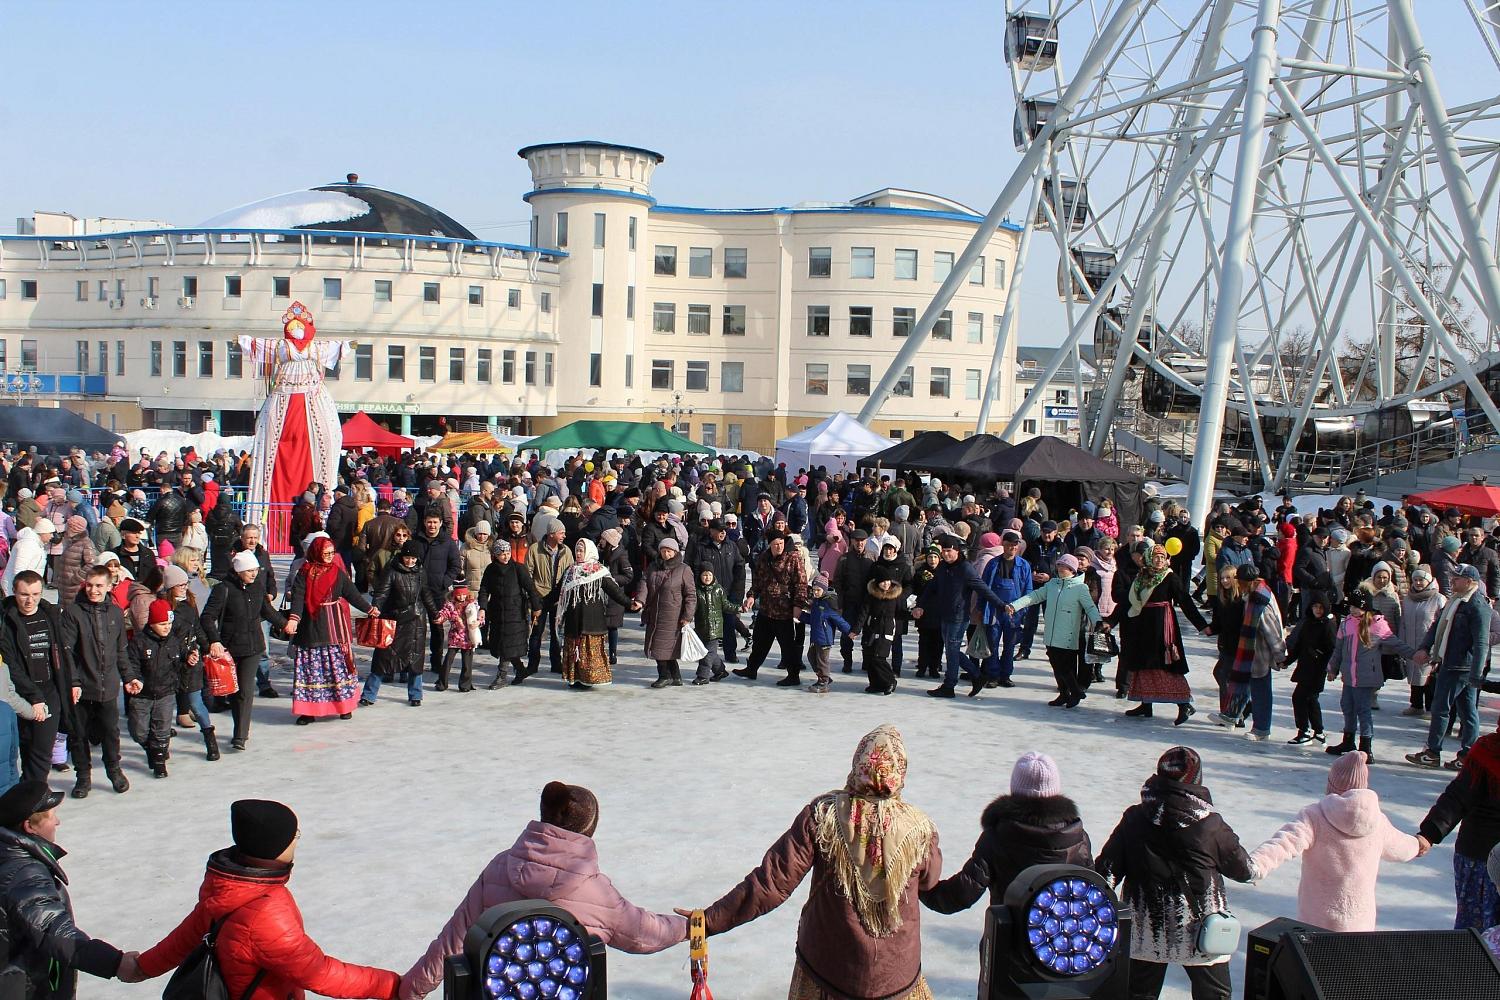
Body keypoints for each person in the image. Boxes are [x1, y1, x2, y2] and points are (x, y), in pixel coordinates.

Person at [689, 725, 941, 1000]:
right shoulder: (920, 829)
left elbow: (771, 882)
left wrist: (708, 920)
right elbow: (929, 882)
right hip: (895, 979)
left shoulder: (823, 816)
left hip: (828, 975)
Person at [399, 782, 685, 999]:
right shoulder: (595, 891)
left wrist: (409, 991)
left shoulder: (500, 867)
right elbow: (644, 933)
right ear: (589, 829)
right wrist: (695, 925)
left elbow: (453, 940)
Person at [133, 799, 401, 999]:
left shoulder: (225, 887)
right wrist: (390, 985)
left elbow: (185, 937)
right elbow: (318, 972)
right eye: (294, 835)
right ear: (273, 848)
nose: (297, 840)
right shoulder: (266, 913)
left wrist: (141, 967)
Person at [1096, 747, 1257, 1000]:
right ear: (1196, 780)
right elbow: (1245, 870)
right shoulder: (1211, 824)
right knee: (1215, 995)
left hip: (1146, 928)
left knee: (1137, 993)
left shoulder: (1134, 818)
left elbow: (1106, 874)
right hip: (1201, 930)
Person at [1251, 752, 1425, 931]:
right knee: (1350, 959)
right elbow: (1401, 847)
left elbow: (1285, 842)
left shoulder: (1315, 816)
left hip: (1317, 920)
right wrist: (1417, 844)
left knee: (1314, 958)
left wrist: (1256, 864)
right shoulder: (1378, 822)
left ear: (1331, 785)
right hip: (1360, 923)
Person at [920, 752, 1091, 922]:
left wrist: (922, 887)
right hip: (1063, 942)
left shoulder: (996, 838)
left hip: (1008, 942)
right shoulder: (1078, 837)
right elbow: (1093, 891)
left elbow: (961, 894)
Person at [0, 780, 130, 997]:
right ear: (29, 827)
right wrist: (114, 962)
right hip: (24, 987)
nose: (57, 822)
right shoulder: (24, 872)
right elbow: (51, 927)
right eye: (51, 816)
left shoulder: (9, 854)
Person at [1110, 543, 1208, 724]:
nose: (1159, 560)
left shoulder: (1170, 578)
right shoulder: (1141, 578)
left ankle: (1184, 704)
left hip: (1163, 625)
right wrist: (1110, 622)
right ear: (1148, 558)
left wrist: (1201, 625)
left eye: (1162, 557)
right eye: (1156, 557)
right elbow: (1129, 601)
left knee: (1165, 664)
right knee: (1144, 663)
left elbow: (1185, 601)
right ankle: (1146, 704)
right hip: (1143, 624)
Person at [60, 566, 137, 797]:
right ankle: (83, 776)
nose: (94, 590)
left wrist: (129, 676)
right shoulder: (73, 613)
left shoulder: (114, 613)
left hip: (109, 686)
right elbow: (67, 652)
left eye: (99, 586)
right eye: (90, 585)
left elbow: (121, 650)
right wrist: (73, 682)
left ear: (109, 586)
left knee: (110, 732)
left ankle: (114, 769)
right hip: (82, 687)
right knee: (79, 733)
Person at [1406, 564, 1491, 770]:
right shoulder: (1455, 601)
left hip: (1461, 667)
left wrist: (1477, 673)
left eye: (1456, 579)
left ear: (1470, 582)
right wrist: (1426, 647)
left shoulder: (1477, 606)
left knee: (1443, 709)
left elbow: (1481, 642)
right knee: (1466, 711)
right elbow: (1437, 626)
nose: (1451, 582)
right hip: (1450, 663)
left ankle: (1433, 752)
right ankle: (1466, 755)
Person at [202, 550, 289, 752]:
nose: (254, 574)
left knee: (245, 690)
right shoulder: (223, 589)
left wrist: (285, 624)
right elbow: (207, 617)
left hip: (253, 646)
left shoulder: (257, 587)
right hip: (231, 646)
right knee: (235, 691)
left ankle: (240, 735)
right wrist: (214, 641)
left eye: (256, 570)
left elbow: (266, 611)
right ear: (239, 570)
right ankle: (238, 725)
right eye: (249, 570)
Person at [285, 536, 372, 724]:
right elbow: (298, 598)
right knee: (311, 669)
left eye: (332, 553)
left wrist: (369, 609)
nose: (329, 557)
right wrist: (294, 619)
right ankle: (308, 711)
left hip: (333, 625)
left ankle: (344, 706)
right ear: (316, 553)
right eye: (326, 553)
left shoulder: (337, 573)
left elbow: (352, 594)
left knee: (337, 667)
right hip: (311, 626)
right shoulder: (304, 573)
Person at [1419, 732, 1500, 931]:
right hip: (1480, 859)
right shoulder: (1488, 749)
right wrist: (1429, 832)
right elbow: (1457, 796)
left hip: (1478, 855)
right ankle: (1469, 961)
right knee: (1475, 933)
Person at [0, 572, 76, 784]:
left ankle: (34, 796)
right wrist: (33, 697)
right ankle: (28, 797)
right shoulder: (7, 620)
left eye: (35, 594)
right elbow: (10, 664)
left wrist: (73, 681)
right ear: (14, 592)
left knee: (42, 750)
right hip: (20, 692)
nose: (29, 600)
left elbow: (63, 650)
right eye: (24, 594)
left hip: (50, 689)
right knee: (24, 747)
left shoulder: (50, 614)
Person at [1005, 553, 1102, 707]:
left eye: (1063, 566)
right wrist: (1014, 605)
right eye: (1059, 565)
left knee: (1065, 666)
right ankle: (1064, 694)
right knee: (1056, 665)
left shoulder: (1080, 587)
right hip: (1051, 633)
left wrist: (1099, 623)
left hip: (1068, 633)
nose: (1060, 568)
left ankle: (1075, 691)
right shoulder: (1052, 585)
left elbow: (1090, 607)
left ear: (1071, 569)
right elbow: (1034, 596)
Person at [362, 540, 440, 707]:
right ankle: (369, 694)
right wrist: (375, 608)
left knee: (415, 659)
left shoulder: (420, 572)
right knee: (382, 658)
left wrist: (435, 614)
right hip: (395, 619)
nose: (410, 561)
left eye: (413, 558)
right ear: (402, 556)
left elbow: (426, 595)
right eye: (407, 558)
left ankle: (415, 694)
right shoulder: (392, 571)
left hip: (416, 621)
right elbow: (382, 593)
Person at [126, 599, 194, 779]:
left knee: (162, 730)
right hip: (143, 695)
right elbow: (131, 665)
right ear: (152, 623)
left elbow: (180, 662)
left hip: (166, 692)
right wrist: (134, 679)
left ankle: (159, 762)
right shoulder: (139, 641)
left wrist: (188, 660)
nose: (167, 628)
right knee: (139, 732)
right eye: (162, 624)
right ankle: (152, 749)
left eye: (169, 624)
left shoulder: (174, 641)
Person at [556, 539, 636, 690]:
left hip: (592, 619)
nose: (578, 554)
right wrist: (539, 603)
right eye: (577, 550)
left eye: (581, 551)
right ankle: (576, 678)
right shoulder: (570, 571)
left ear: (589, 552)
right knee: (574, 649)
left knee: (588, 650)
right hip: (573, 619)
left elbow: (614, 591)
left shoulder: (598, 571)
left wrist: (629, 603)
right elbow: (557, 592)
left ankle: (590, 679)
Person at [733, 532, 809, 686]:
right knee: (759, 642)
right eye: (775, 544)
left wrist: (798, 605)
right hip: (766, 609)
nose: (779, 546)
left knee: (788, 646)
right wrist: (751, 596)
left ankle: (793, 675)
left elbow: (801, 583)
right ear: (770, 545)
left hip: (784, 611)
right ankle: (751, 668)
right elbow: (758, 581)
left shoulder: (793, 558)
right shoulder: (763, 558)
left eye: (781, 543)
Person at [478, 540, 539, 688]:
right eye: (501, 554)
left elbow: (530, 588)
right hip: (497, 612)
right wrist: (483, 608)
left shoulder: (518, 568)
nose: (505, 556)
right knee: (506, 645)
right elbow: (484, 590)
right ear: (495, 555)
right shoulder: (491, 570)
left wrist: (536, 606)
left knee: (507, 645)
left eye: (507, 553)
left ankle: (502, 676)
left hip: (515, 613)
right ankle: (521, 670)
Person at [640, 537, 696, 689]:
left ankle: (664, 676)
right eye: (663, 551)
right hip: (654, 612)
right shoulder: (653, 567)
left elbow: (691, 595)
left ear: (675, 552)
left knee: (664, 647)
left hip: (673, 615)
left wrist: (687, 616)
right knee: (662, 647)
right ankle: (675, 676)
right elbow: (644, 583)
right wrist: (640, 601)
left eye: (669, 551)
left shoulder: (684, 569)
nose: (666, 554)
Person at [1284, 595, 1335, 745]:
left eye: (1321, 607)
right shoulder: (1307, 623)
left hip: (1317, 669)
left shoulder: (1328, 625)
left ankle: (1305, 730)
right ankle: (1318, 732)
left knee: (1301, 697)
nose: (1318, 610)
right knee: (1309, 699)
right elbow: (1299, 646)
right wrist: (1287, 661)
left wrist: (1329, 666)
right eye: (1315, 607)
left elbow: (1332, 649)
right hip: (1305, 666)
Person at [800, 573, 851, 694]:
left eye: (818, 590)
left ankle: (824, 681)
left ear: (824, 589)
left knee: (822, 660)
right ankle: (823, 678)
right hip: (815, 637)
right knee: (811, 657)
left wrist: (849, 631)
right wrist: (801, 616)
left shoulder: (828, 604)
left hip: (824, 638)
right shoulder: (817, 603)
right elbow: (813, 619)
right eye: (814, 590)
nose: (815, 592)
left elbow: (838, 620)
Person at [691, 565, 742, 685]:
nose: (707, 577)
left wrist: (737, 608)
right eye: (704, 575)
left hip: (715, 627)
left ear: (713, 576)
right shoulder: (696, 591)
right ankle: (720, 671)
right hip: (701, 627)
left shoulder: (718, 589)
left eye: (709, 575)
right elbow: (692, 607)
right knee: (709, 652)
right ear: (700, 576)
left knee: (707, 653)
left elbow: (725, 605)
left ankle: (703, 675)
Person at [433, 585, 483, 692]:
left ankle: (465, 684)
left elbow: (480, 616)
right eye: (459, 595)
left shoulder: (472, 604)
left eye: (463, 595)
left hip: (468, 637)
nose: (461, 597)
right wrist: (440, 618)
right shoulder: (450, 605)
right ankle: (442, 683)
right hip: (455, 636)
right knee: (448, 660)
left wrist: (478, 622)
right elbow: (444, 613)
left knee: (467, 662)